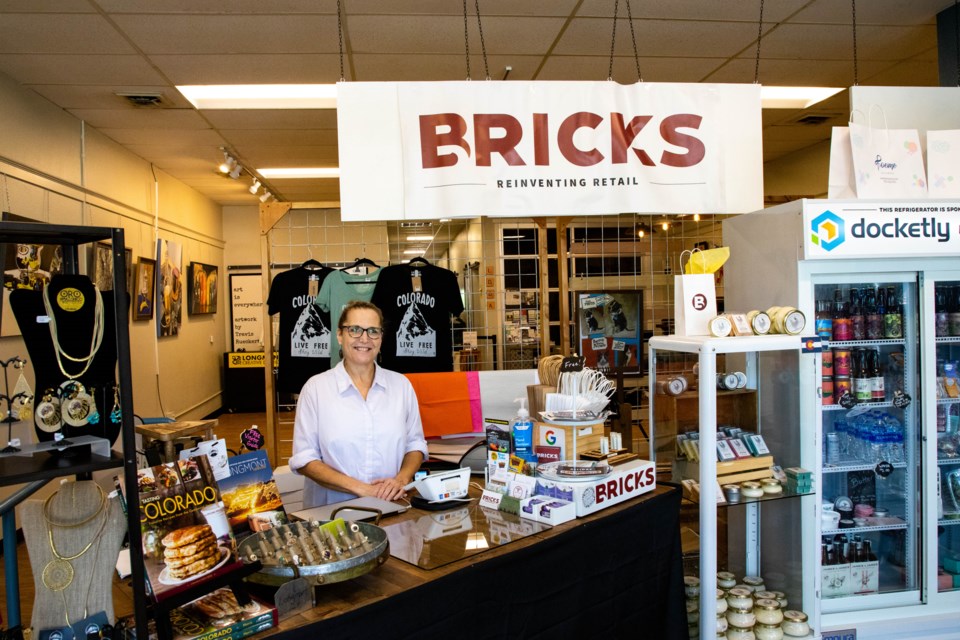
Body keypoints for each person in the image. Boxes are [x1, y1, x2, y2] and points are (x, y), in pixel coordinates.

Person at [289, 300, 428, 508]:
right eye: (354, 329)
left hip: (393, 508)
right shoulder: (315, 389)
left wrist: (401, 479)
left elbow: (415, 445)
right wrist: (364, 490)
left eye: (373, 331)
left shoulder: (401, 386)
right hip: (332, 515)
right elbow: (305, 459)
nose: (364, 338)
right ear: (339, 335)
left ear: (381, 338)